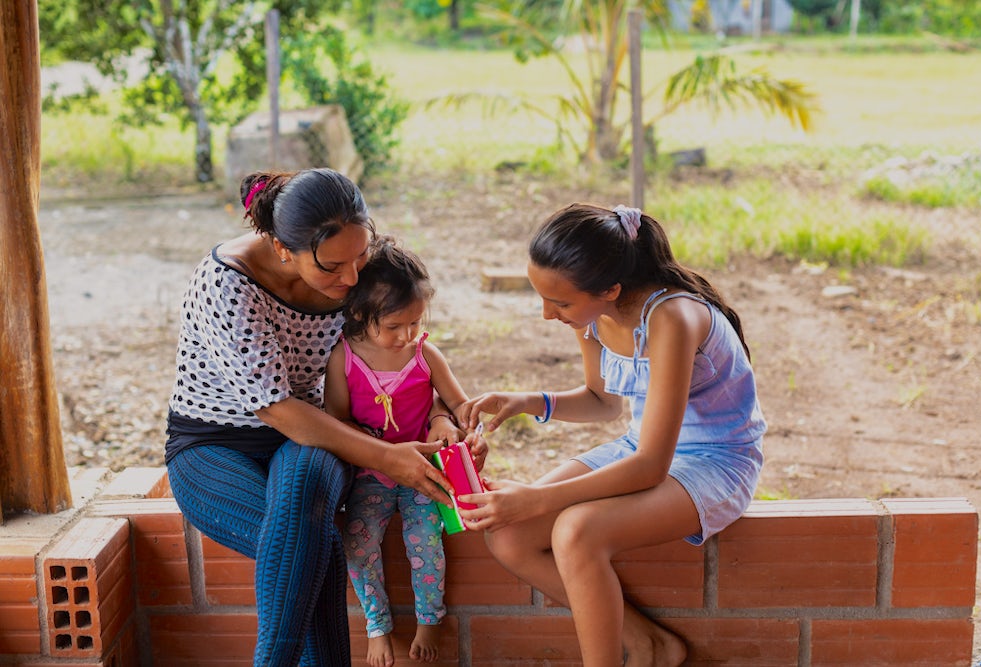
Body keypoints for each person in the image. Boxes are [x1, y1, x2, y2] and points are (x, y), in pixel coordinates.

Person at [164, 168, 464, 667]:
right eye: (331, 268)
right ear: (283, 248)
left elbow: (404, 355)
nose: (351, 279)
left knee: (304, 531)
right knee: (308, 545)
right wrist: (390, 459)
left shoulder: (348, 254)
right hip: (214, 445)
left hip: (317, 438)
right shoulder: (227, 283)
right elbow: (279, 408)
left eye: (360, 257)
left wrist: (439, 414)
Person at [455, 203, 767, 667]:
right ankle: (648, 643)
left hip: (717, 461)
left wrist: (538, 499)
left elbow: (650, 467)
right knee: (510, 537)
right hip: (642, 448)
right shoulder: (593, 315)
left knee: (576, 531)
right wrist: (529, 401)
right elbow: (603, 402)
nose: (547, 314)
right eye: (542, 298)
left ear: (611, 289)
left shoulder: (672, 319)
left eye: (559, 303)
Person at [324, 237, 483, 667]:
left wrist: (466, 425)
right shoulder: (344, 359)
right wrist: (374, 449)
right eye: (394, 326)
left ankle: (430, 619)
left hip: (424, 478)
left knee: (426, 542)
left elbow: (460, 405)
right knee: (358, 542)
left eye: (414, 323)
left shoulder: (425, 355)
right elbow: (336, 420)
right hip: (369, 476)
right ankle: (377, 626)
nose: (407, 336)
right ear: (359, 314)